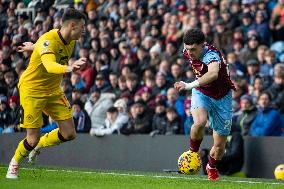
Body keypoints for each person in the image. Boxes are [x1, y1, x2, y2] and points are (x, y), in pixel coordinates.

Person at [6, 8, 87, 179]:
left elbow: (44, 46)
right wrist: (69, 68)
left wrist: (34, 47)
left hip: (53, 90)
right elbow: (50, 64)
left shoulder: (70, 40)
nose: (84, 30)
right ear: (72, 25)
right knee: (32, 138)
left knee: (69, 134)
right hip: (32, 90)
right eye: (82, 27)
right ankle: (14, 162)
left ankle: (38, 146)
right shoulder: (48, 40)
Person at [174, 28, 235, 181]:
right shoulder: (187, 50)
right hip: (201, 92)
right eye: (187, 49)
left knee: (220, 147)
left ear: (203, 45)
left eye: (193, 49)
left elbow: (213, 74)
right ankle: (193, 153)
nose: (190, 52)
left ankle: (211, 166)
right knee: (199, 122)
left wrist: (188, 85)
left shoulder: (212, 55)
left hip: (222, 97)